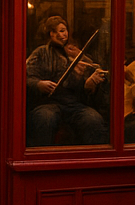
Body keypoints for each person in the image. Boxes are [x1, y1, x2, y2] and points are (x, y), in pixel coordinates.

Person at [26, 16, 108, 148]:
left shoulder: (75, 53)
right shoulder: (40, 53)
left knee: (93, 118)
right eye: (56, 32)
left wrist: (89, 83)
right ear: (50, 34)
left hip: (74, 103)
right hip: (50, 102)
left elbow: (90, 76)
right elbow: (27, 77)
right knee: (44, 117)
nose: (61, 35)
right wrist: (39, 84)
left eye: (63, 31)